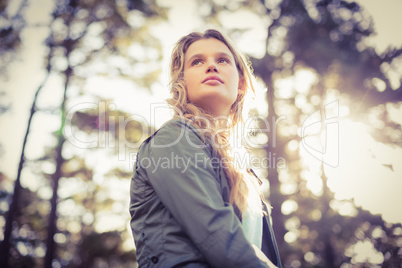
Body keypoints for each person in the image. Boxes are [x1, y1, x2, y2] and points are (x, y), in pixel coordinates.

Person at [129, 29, 282, 268]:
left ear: (241, 83)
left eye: (222, 60)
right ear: (181, 81)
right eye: (197, 61)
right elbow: (217, 235)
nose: (211, 66)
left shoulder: (245, 171)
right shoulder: (172, 139)